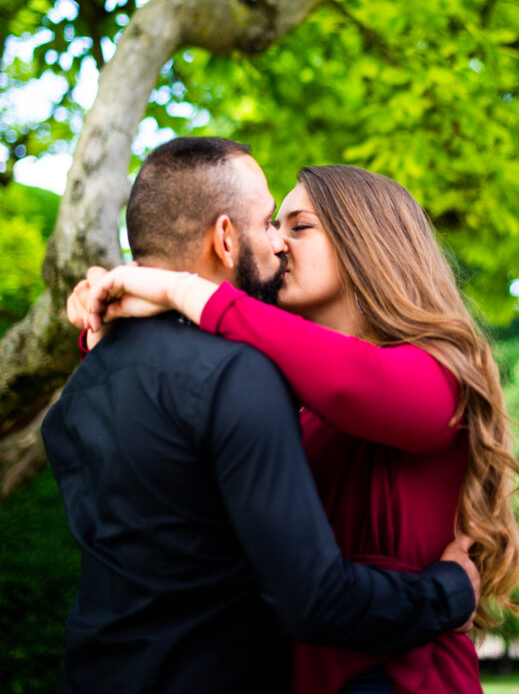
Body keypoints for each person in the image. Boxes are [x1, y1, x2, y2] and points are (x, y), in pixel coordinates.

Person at [45, 138, 481, 694]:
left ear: (365, 245)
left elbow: (351, 383)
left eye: (298, 226)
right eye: (272, 224)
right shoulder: (281, 391)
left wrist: (181, 287)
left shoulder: (436, 371)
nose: (275, 243)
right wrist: (114, 329)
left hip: (397, 677)